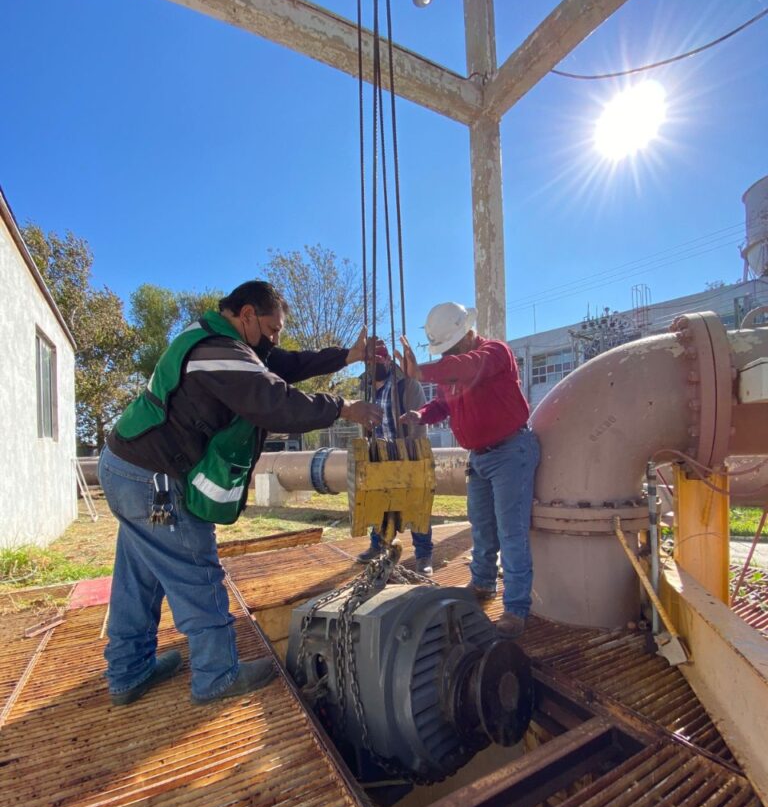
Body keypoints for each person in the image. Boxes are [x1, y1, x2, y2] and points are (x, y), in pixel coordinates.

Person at [100, 279, 383, 706]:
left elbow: (282, 363)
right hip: (154, 480)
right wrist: (343, 407)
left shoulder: (220, 342)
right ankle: (216, 675)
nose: (275, 340)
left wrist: (346, 356)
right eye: (271, 329)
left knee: (137, 576)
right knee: (198, 571)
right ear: (247, 314)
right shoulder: (217, 351)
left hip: (129, 469)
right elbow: (275, 401)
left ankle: (128, 670)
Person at [396, 301, 540, 638]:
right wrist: (422, 415)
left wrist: (420, 372)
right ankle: (483, 584)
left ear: (466, 334)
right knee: (483, 528)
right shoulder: (456, 367)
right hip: (480, 457)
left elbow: (469, 367)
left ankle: (516, 609)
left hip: (509, 451)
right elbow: (445, 403)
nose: (446, 356)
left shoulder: (494, 353)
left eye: (449, 347)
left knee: (511, 533)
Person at [355, 349, 434, 574]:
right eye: (372, 359)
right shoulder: (367, 389)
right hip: (380, 455)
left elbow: (420, 422)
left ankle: (424, 554)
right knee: (380, 503)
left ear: (389, 360)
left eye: (381, 358)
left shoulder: (407, 385)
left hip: (408, 453)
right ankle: (378, 546)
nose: (377, 362)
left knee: (416, 505)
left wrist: (414, 454)